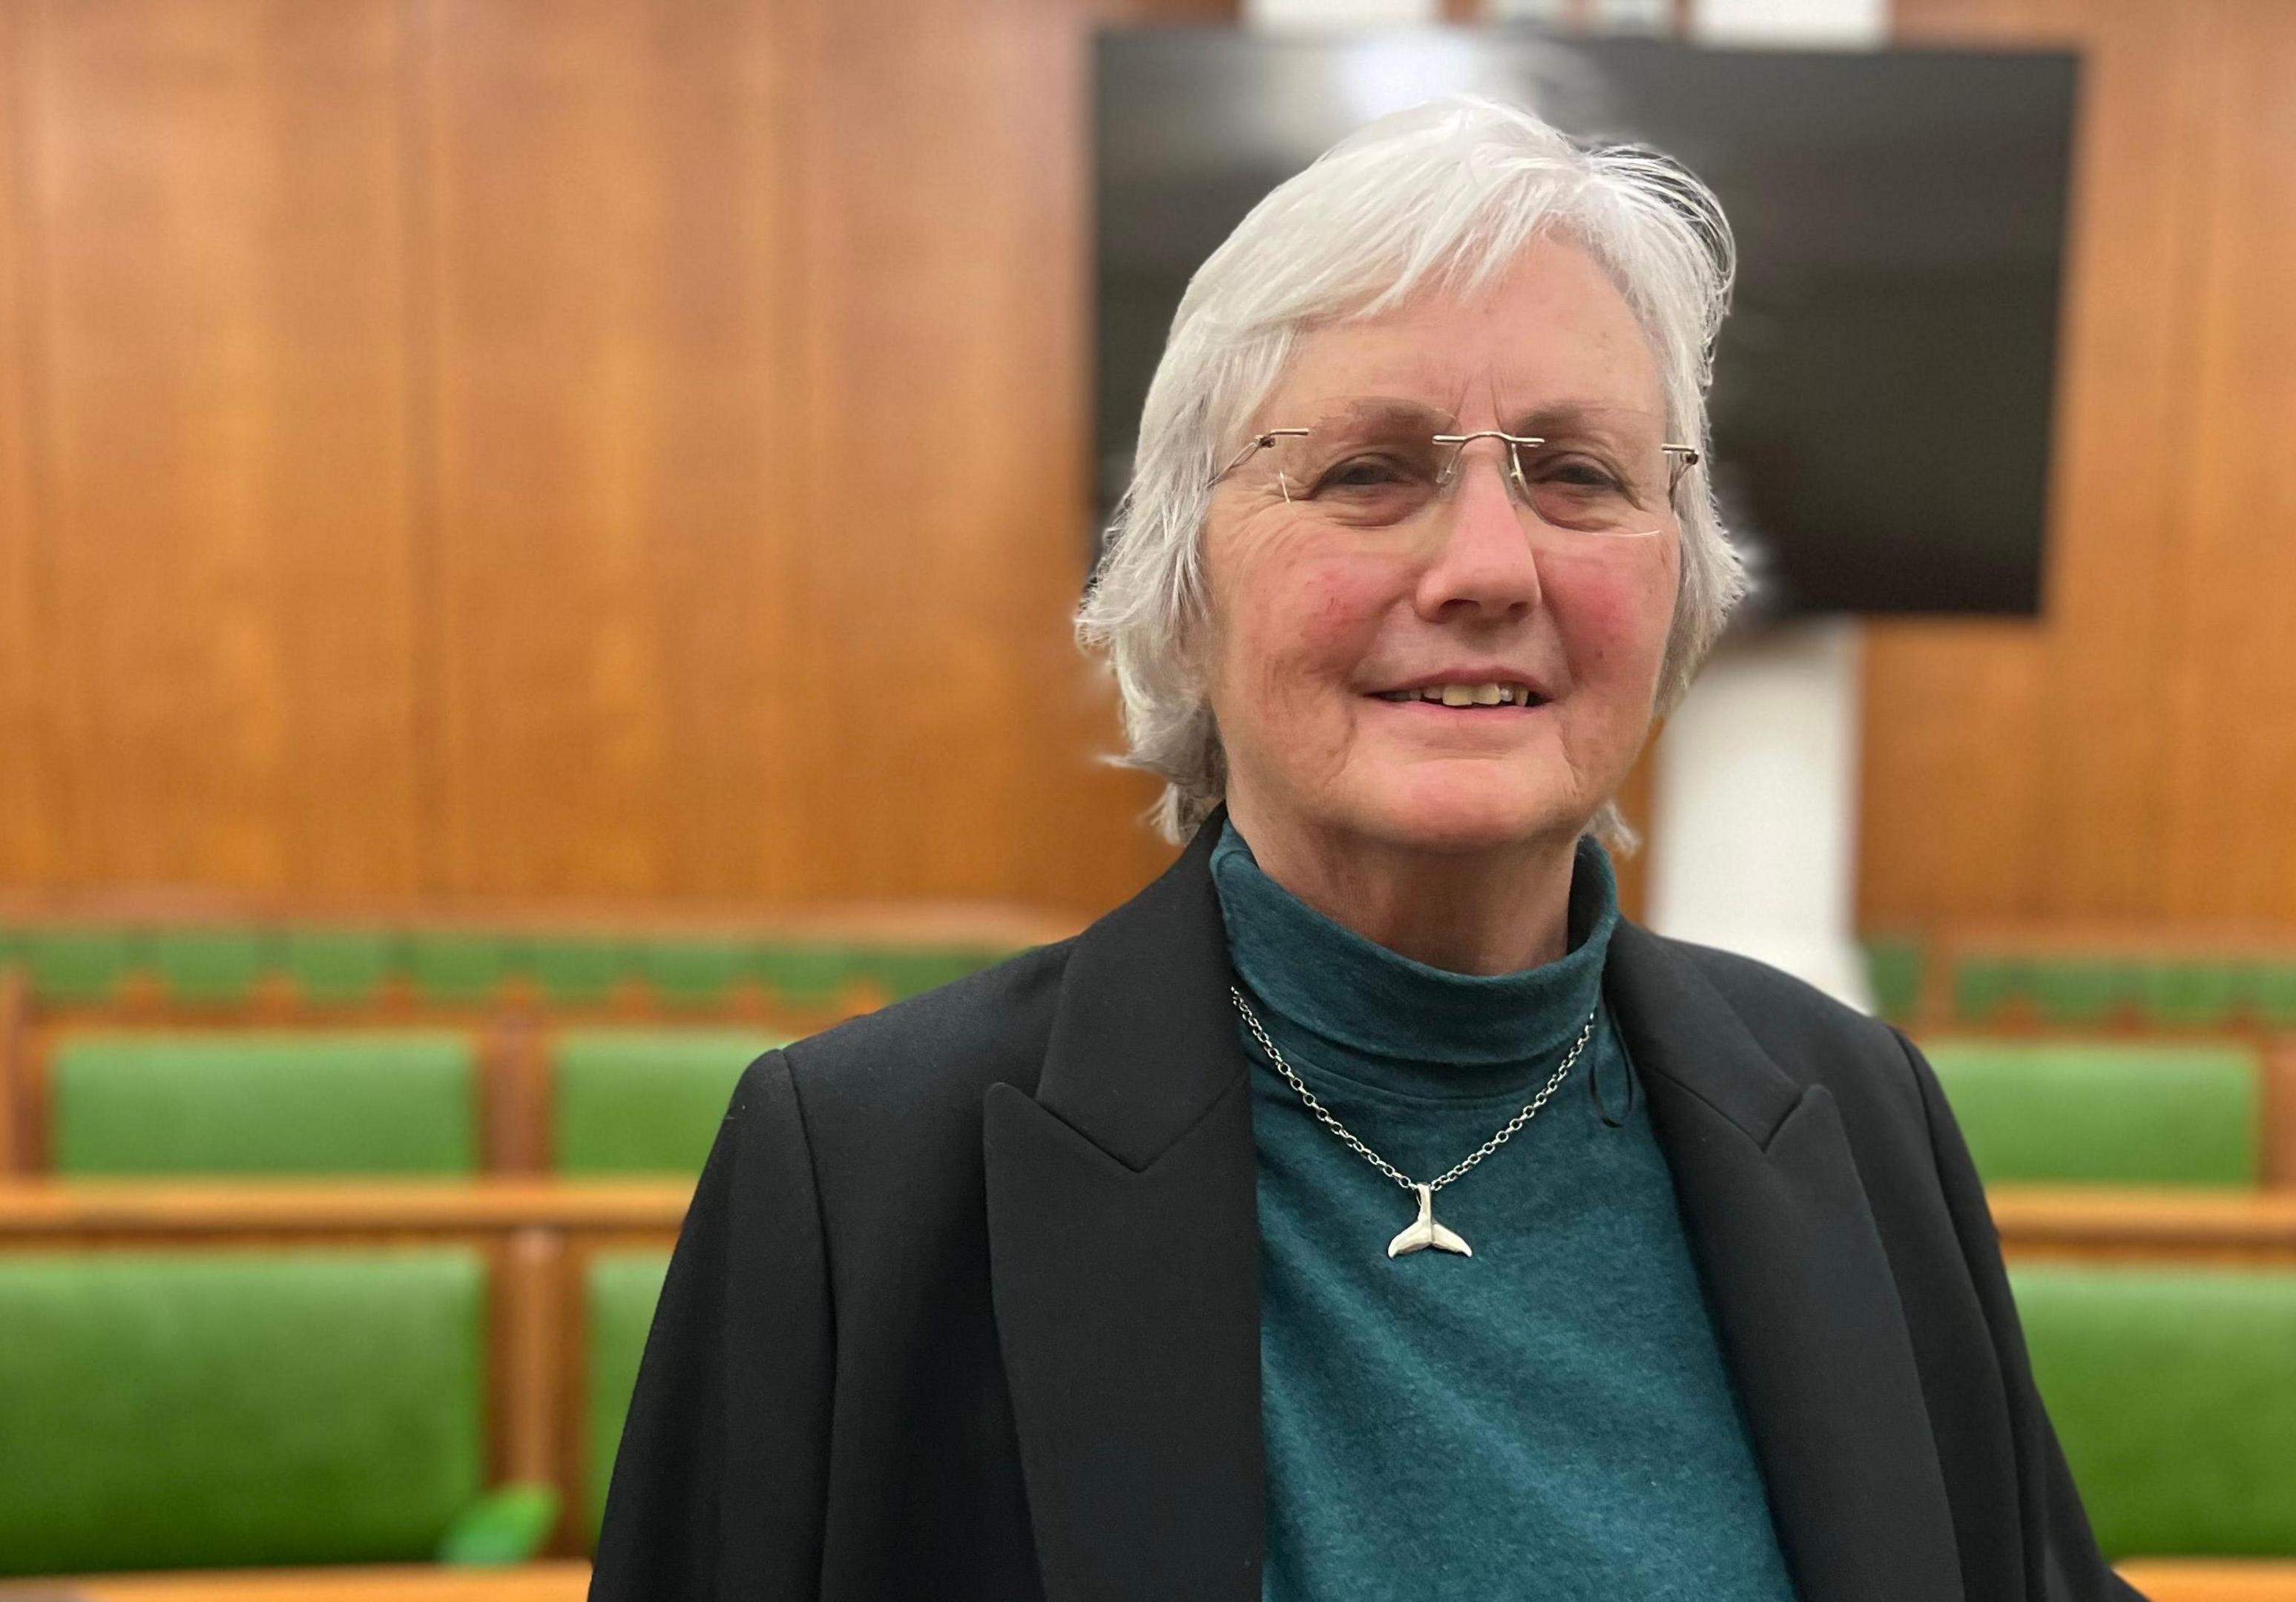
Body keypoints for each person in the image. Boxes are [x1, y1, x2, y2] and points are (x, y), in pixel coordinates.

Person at [593, 96, 2136, 1602]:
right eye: (1367, 472)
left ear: (1679, 584)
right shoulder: (856, 1171)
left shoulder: (1861, 1117)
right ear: (1184, 580)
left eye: (1581, 472)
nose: (1485, 566)